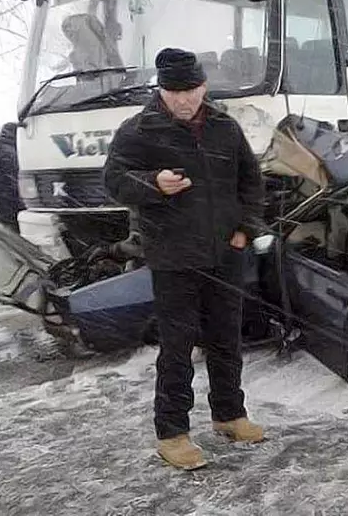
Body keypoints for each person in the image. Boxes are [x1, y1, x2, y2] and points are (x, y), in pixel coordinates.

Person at [104, 48, 265, 470]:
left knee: (227, 339)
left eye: (191, 90)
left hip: (225, 253)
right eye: (174, 91)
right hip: (174, 256)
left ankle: (229, 415)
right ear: (161, 90)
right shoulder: (139, 130)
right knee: (177, 347)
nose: (183, 100)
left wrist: (245, 229)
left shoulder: (225, 128)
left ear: (204, 87)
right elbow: (113, 180)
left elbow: (251, 182)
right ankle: (172, 433)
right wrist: (152, 183)